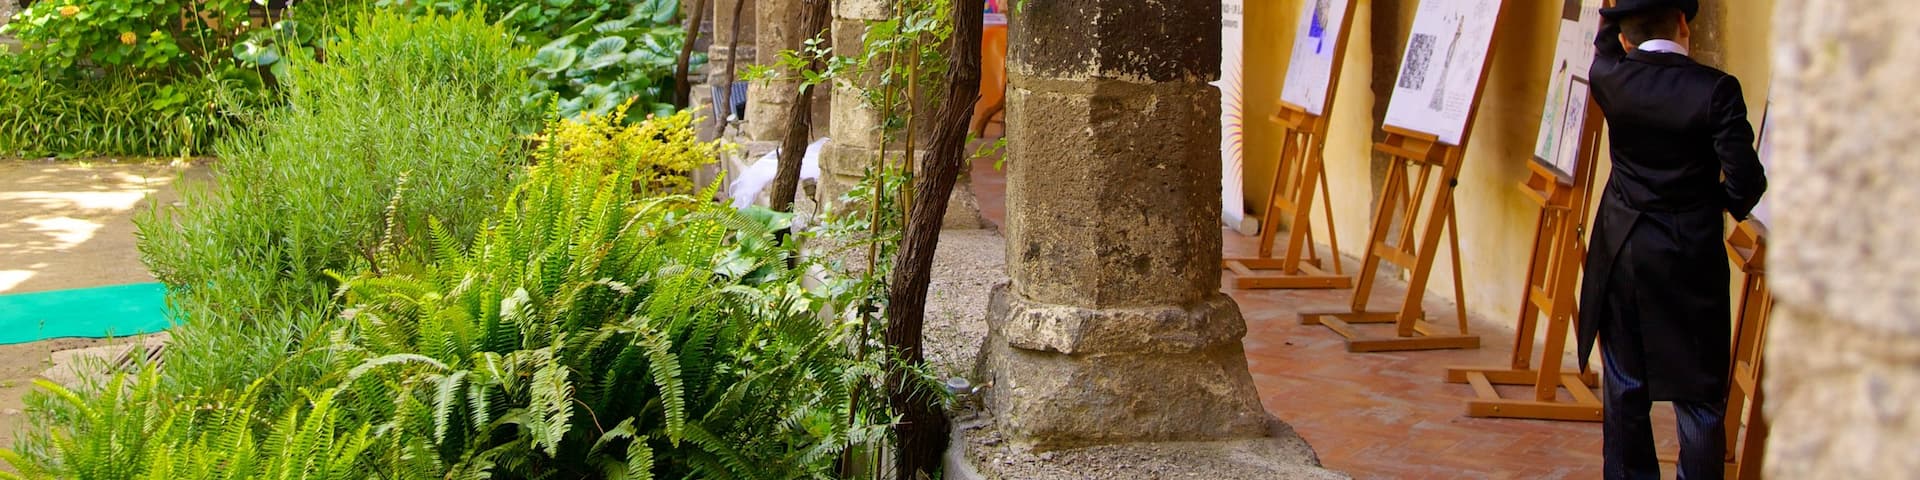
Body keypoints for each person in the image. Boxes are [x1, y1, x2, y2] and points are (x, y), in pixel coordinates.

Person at [1578, 0, 1767, 479]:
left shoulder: (1611, 79)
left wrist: (1613, 12)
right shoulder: (1715, 90)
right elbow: (1747, 179)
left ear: (1622, 35)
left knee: (1624, 386)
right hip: (1689, 258)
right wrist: (1715, 202)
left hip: (1620, 250)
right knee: (1699, 394)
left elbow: (1604, 47)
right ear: (1683, 23)